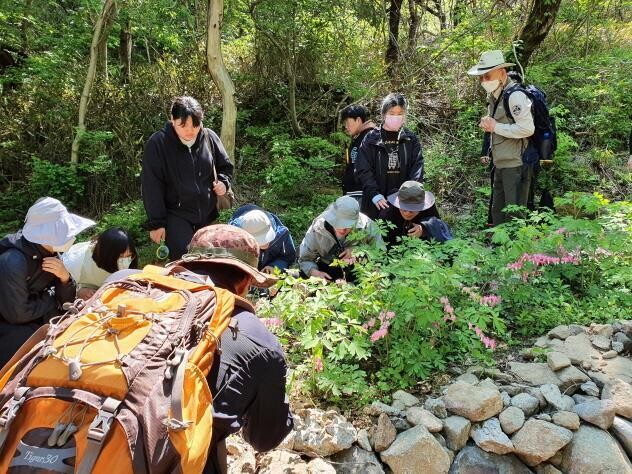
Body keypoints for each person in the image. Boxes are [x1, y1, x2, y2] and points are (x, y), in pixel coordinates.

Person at [107, 225, 293, 473]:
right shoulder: (258, 339)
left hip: (65, 440)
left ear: (185, 266)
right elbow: (264, 439)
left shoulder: (125, 290)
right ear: (246, 280)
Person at [0, 197, 95, 367]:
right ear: (47, 233)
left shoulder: (48, 252)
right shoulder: (13, 261)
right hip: (11, 330)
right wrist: (51, 299)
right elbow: (18, 314)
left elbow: (66, 302)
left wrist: (65, 278)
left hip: (38, 319)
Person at [142, 96, 234, 260]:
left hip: (207, 214)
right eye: (182, 125)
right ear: (172, 120)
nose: (190, 131)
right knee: (187, 261)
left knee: (210, 261)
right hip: (175, 215)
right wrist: (156, 223)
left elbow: (225, 166)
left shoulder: (209, 137)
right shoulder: (158, 144)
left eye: (195, 125)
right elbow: (151, 187)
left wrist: (223, 182)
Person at [468, 50, 535, 225]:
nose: (484, 81)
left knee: (514, 215)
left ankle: (515, 252)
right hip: (500, 163)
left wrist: (496, 126)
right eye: (481, 77)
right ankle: (499, 250)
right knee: (497, 212)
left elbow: (527, 128)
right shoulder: (494, 96)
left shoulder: (515, 96)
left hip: (516, 164)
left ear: (502, 73)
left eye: (487, 76)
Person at [355, 92, 424, 219]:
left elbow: (417, 168)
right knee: (376, 234)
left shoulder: (411, 139)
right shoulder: (371, 139)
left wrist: (409, 195)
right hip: (376, 202)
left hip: (404, 204)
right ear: (383, 114)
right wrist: (374, 194)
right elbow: (363, 169)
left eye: (400, 114)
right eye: (392, 113)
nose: (396, 117)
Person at [298, 195, 384, 282]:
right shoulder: (318, 228)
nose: (343, 230)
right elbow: (305, 259)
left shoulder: (368, 226)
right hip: (327, 269)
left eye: (348, 225)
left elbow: (380, 255)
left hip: (359, 270)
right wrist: (316, 274)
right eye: (339, 223)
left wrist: (359, 252)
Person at [62, 228, 138, 299]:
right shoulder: (75, 262)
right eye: (120, 256)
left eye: (129, 255)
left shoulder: (132, 258)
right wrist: (79, 292)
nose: (125, 261)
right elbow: (63, 286)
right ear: (107, 255)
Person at [229, 204, 296, 273]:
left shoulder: (281, 234)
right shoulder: (234, 240)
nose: (266, 243)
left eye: (267, 237)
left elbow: (287, 257)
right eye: (260, 241)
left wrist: (274, 267)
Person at [383, 181, 453, 246]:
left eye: (412, 209)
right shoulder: (388, 212)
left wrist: (424, 229)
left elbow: (440, 228)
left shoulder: (428, 208)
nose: (407, 213)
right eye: (404, 208)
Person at [340, 104, 377, 201]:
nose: (346, 127)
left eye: (347, 122)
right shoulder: (359, 137)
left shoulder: (370, 137)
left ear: (358, 120)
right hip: (354, 193)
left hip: (362, 195)